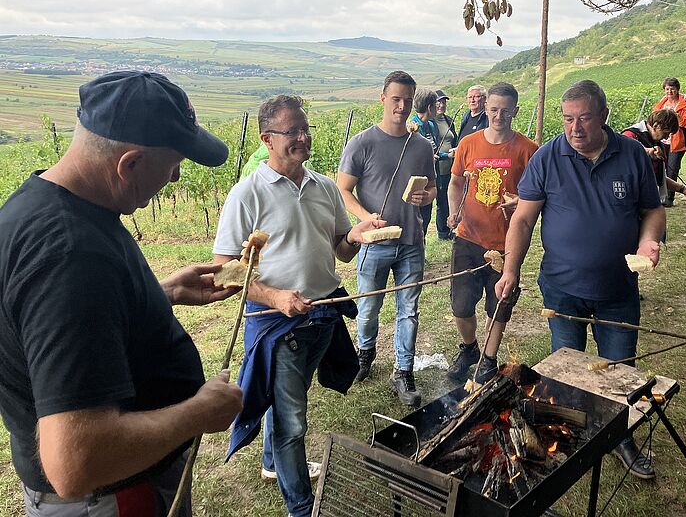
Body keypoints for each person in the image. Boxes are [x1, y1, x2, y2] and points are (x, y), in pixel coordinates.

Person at [0, 71, 244, 516]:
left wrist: (159, 293)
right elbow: (76, 461)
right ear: (128, 164)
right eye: (173, 164)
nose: (174, 179)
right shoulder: (70, 257)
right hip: (114, 498)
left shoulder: (43, 206)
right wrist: (199, 412)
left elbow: (68, 325)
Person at [214, 95, 384, 517]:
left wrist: (356, 236)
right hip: (276, 324)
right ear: (267, 138)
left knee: (289, 395)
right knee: (293, 422)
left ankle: (272, 463)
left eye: (305, 129)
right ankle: (302, 508)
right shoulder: (247, 194)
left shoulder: (325, 186)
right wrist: (275, 297)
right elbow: (224, 270)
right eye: (293, 131)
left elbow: (341, 251)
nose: (303, 138)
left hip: (321, 315)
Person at [496, 79, 665, 479]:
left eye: (585, 118)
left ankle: (620, 438)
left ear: (604, 116)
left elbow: (652, 211)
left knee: (619, 371)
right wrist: (510, 269)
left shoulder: (633, 155)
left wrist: (648, 242)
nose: (575, 128)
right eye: (568, 119)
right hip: (561, 288)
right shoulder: (548, 157)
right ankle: (567, 437)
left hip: (617, 290)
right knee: (566, 371)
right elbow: (522, 218)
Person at [337, 71, 436, 407]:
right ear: (382, 98)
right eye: (396, 99)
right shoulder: (362, 143)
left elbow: (433, 187)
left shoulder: (421, 146)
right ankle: (365, 354)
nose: (402, 106)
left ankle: (403, 371)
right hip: (374, 242)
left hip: (411, 241)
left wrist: (428, 197)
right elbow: (343, 190)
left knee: (408, 310)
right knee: (369, 305)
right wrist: (366, 218)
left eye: (408, 100)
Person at [445, 82, 538, 384]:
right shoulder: (469, 144)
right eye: (494, 109)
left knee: (499, 304)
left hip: (506, 242)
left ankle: (488, 358)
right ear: (485, 107)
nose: (499, 116)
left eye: (505, 111)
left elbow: (537, 194)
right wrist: (454, 210)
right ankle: (470, 347)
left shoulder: (527, 150)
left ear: (515, 111)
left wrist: (520, 203)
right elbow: (456, 182)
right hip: (468, 236)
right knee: (460, 304)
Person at [621, 108, 686, 205]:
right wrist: (648, 151)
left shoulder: (657, 143)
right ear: (656, 126)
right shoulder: (630, 135)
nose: (666, 137)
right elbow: (624, 153)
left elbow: (657, 177)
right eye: (666, 133)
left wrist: (682, 189)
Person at [653, 77, 686, 207]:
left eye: (672, 89)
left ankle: (669, 198)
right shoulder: (661, 104)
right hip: (662, 141)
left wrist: (675, 117)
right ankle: (660, 195)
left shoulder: (685, 103)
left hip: (677, 142)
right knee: (661, 168)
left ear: (677, 90)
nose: (669, 92)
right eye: (667, 89)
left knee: (672, 169)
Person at [410, 89, 440, 237]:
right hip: (418, 180)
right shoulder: (412, 127)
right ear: (429, 107)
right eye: (435, 104)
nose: (438, 107)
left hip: (431, 176)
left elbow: (435, 149)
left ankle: (421, 249)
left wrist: (447, 155)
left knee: (426, 217)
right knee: (418, 218)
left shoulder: (432, 126)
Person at [432, 89, 457, 240]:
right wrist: (444, 156)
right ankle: (442, 233)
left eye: (443, 102)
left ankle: (448, 229)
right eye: (438, 102)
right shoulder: (430, 122)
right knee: (441, 201)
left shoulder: (448, 120)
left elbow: (454, 140)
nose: (441, 105)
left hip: (449, 167)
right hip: (437, 167)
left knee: (448, 199)